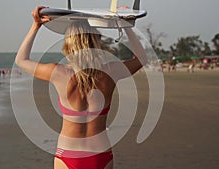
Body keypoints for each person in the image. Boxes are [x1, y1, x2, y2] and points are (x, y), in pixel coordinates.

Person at [15, 6, 147, 169]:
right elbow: (141, 58)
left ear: (69, 44)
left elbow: (21, 60)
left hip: (68, 155)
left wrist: (36, 25)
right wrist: (126, 25)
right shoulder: (110, 72)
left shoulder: (58, 73)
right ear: (95, 41)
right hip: (101, 155)